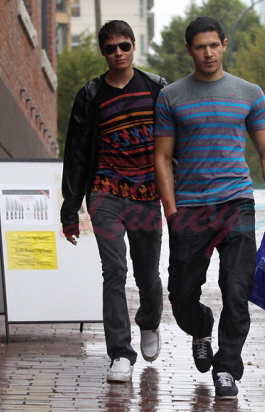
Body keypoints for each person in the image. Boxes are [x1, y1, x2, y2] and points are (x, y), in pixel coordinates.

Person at [154, 16, 265, 400]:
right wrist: (171, 211)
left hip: (236, 204)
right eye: (200, 47)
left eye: (214, 45)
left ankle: (227, 367)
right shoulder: (171, 96)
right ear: (189, 50)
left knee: (236, 288)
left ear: (224, 45)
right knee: (181, 296)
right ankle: (201, 326)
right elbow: (161, 157)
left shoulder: (249, 93)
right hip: (190, 208)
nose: (208, 53)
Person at [60, 20, 167, 383]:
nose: (118, 53)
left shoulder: (156, 88)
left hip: (147, 196)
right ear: (103, 53)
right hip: (105, 193)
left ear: (134, 46)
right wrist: (70, 210)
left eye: (124, 46)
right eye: (111, 48)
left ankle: (149, 321)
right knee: (114, 271)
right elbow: (76, 154)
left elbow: (175, 145)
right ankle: (120, 353)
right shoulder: (91, 95)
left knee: (148, 274)